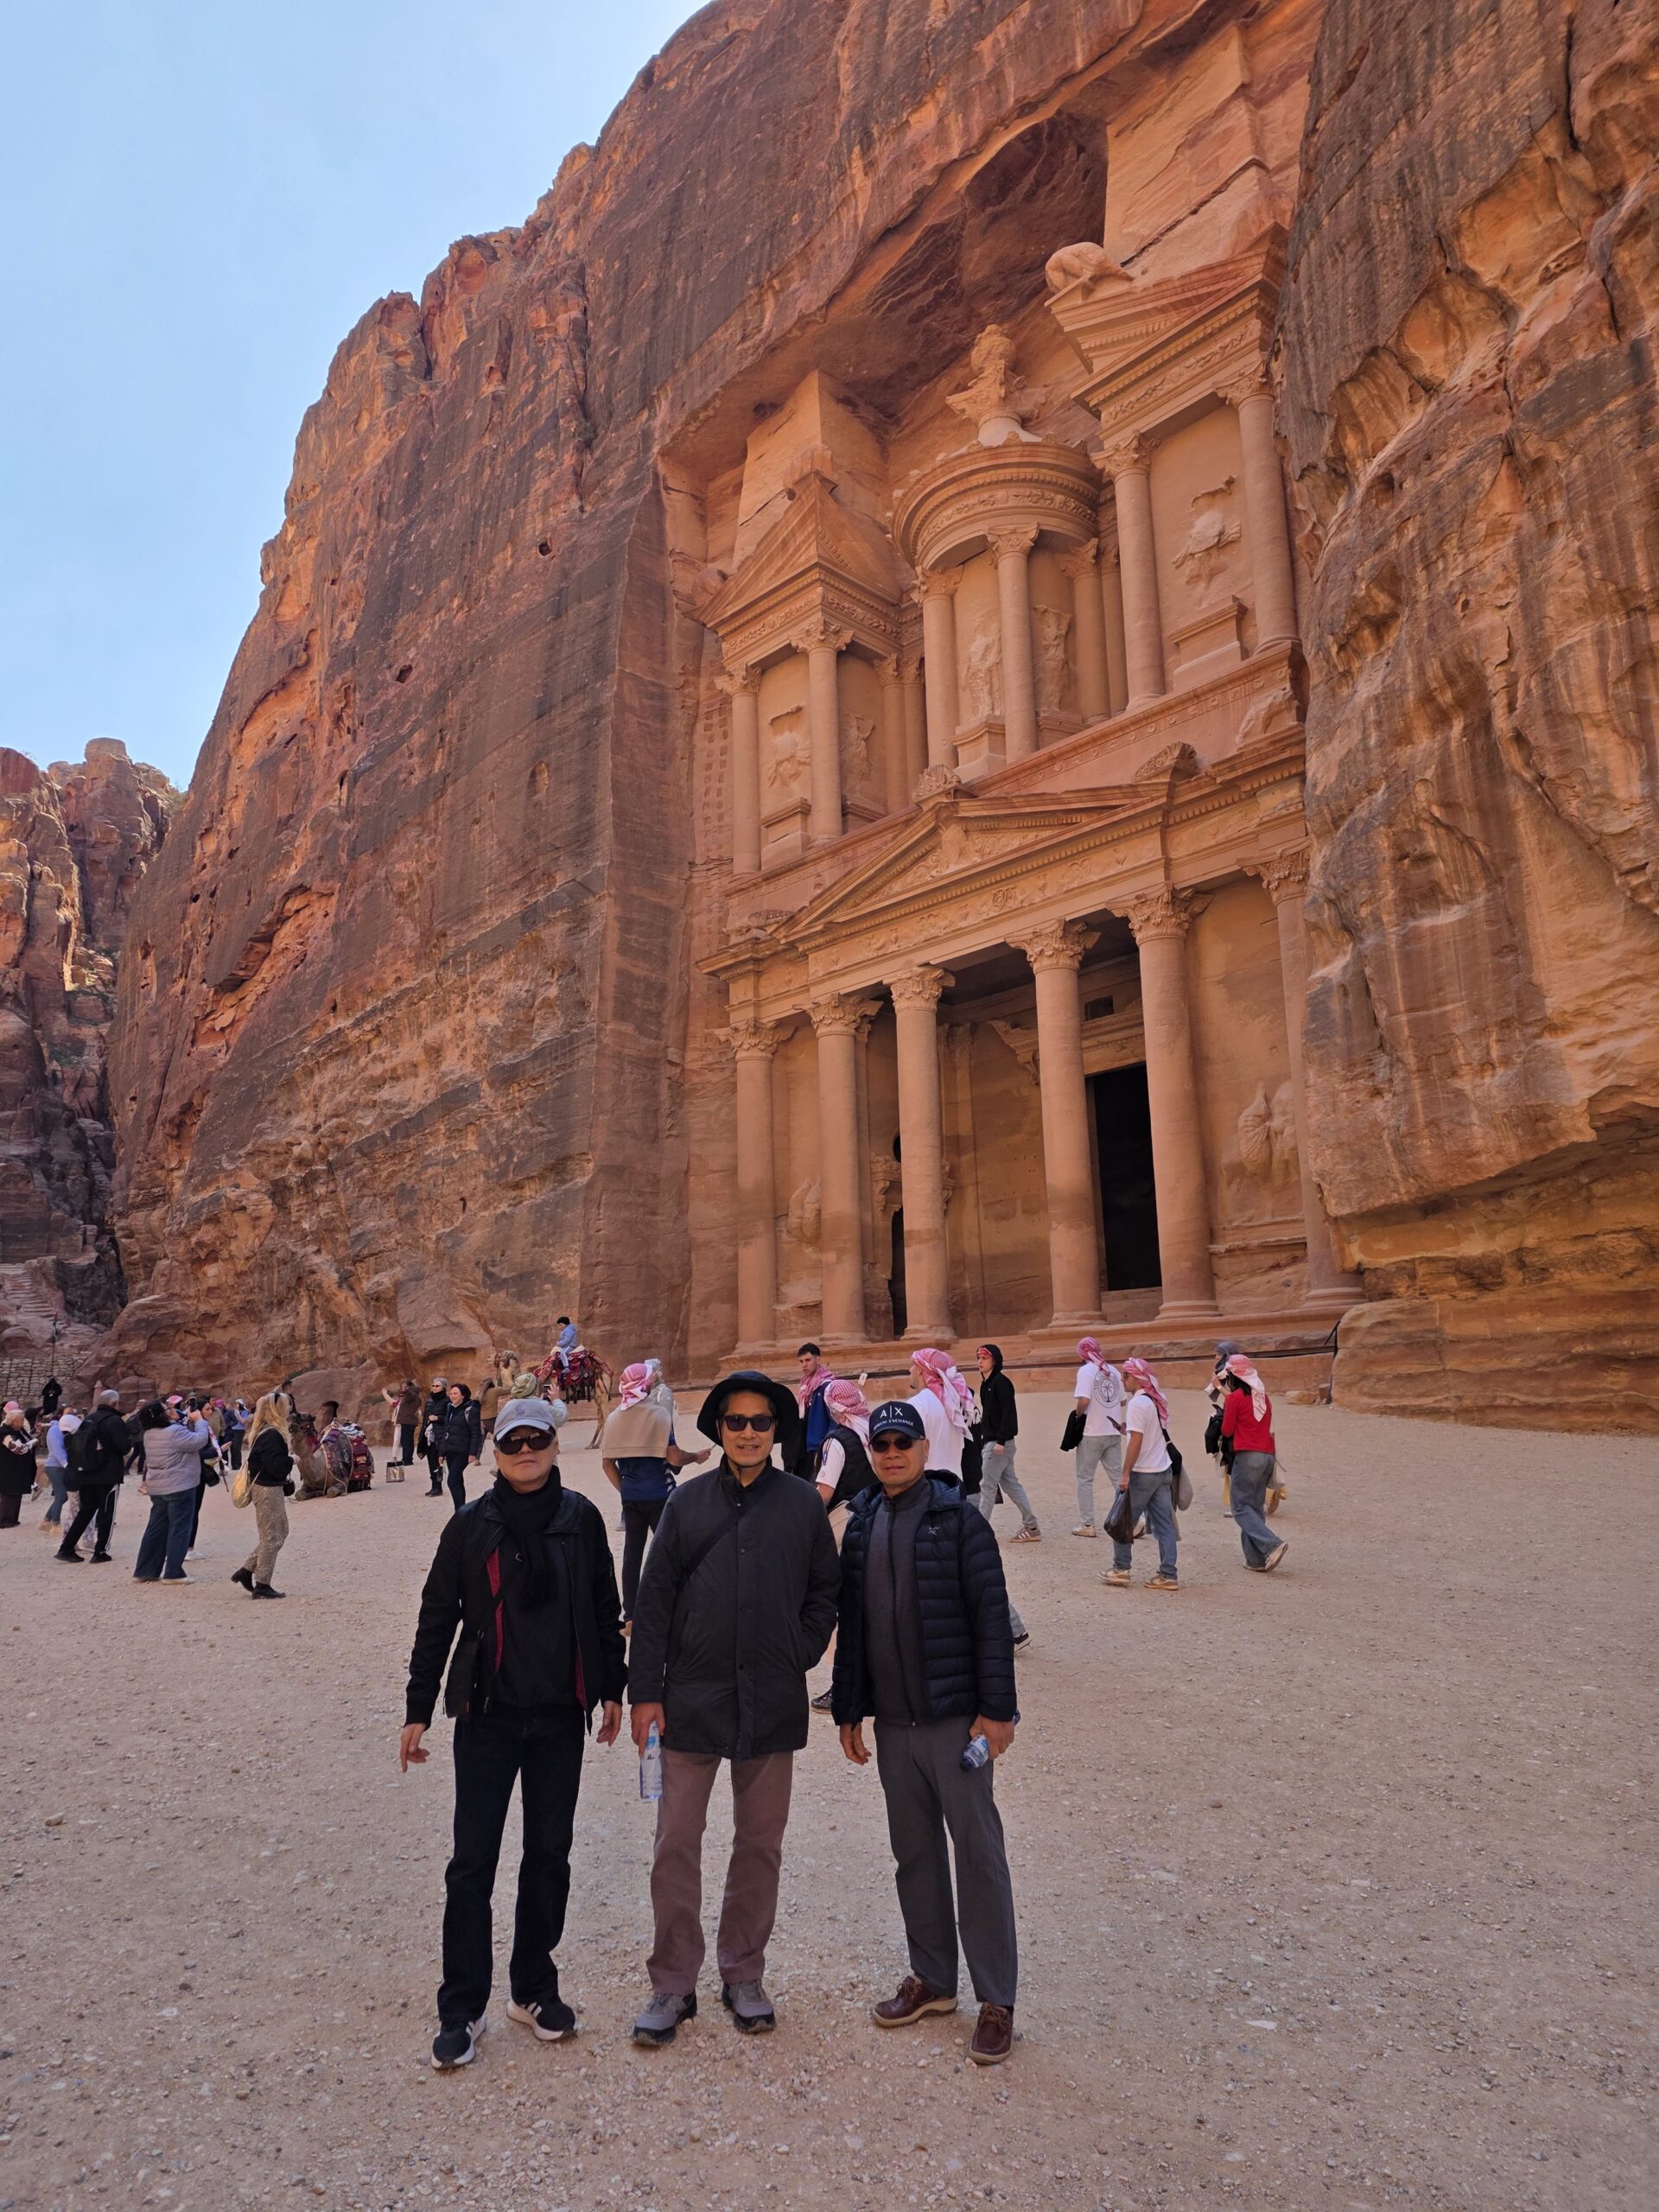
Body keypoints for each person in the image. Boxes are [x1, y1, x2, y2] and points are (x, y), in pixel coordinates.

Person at [402, 1395, 626, 2071]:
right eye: (512, 1442)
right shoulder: (470, 1525)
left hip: (558, 1715)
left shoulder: (581, 1519)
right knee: (473, 1862)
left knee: (549, 1855)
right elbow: (437, 1614)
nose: (526, 1451)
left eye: (536, 1440)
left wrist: (612, 1689)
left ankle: (532, 1988)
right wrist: (418, 1706)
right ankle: (462, 2007)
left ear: (555, 1445)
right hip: (488, 1715)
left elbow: (604, 1606)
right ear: (494, 1452)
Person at [627, 1371, 839, 2045]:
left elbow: (824, 1592)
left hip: (771, 1700)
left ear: (777, 1430)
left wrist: (798, 1651)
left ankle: (743, 1970)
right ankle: (673, 1981)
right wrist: (645, 1692)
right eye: (736, 1422)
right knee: (675, 1842)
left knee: (759, 1844)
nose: (749, 1433)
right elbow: (653, 1601)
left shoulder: (802, 1505)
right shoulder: (686, 1504)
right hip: (691, 1698)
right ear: (719, 1429)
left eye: (761, 1422)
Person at [831, 1399, 1020, 2067]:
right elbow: (852, 1627)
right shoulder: (862, 1523)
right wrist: (848, 1708)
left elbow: (991, 1619)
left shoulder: (960, 1521)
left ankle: (997, 1999)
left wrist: (998, 1712)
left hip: (954, 1722)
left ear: (921, 1448)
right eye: (880, 1444)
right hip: (894, 1724)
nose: (891, 1453)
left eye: (902, 1443)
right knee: (914, 1855)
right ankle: (934, 1979)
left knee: (978, 1857)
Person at [600, 1362, 709, 1630]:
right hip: (660, 1495)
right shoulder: (659, 1415)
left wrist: (625, 1489)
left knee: (632, 1555)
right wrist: (696, 1457)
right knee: (668, 1552)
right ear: (646, 1385)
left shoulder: (614, 1419)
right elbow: (674, 1457)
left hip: (631, 1498)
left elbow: (607, 1464)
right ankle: (670, 1609)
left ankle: (631, 1616)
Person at [1102, 1358, 1179, 1592]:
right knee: (1165, 1525)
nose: (1122, 1379)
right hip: (1162, 1470)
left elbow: (1137, 1440)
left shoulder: (1137, 1404)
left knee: (1123, 1521)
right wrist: (1128, 1429)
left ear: (1137, 1377)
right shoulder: (1156, 1399)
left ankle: (1121, 1569)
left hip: (1142, 1473)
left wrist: (1125, 1474)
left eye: (1125, 1375)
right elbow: (1150, 1431)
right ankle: (1168, 1574)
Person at [1220, 1355, 1287, 1573]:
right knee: (1254, 1508)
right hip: (1267, 1455)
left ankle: (1272, 1544)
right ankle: (1255, 1559)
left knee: (1240, 1507)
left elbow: (1227, 1430)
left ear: (1233, 1377)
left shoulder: (1235, 1398)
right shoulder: (1263, 1397)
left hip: (1248, 1456)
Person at [131, 1401, 210, 1583]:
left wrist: (182, 1419)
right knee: (179, 1528)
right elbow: (199, 1440)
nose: (172, 1410)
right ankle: (174, 1572)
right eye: (168, 1409)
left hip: (158, 1487)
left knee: (156, 1528)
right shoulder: (174, 1432)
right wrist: (199, 1421)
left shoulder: (150, 1433)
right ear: (163, 1415)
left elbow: (177, 1433)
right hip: (180, 1486)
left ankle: (145, 1570)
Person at [233, 1390, 297, 1598]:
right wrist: (292, 1460)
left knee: (280, 1531)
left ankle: (246, 1570)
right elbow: (276, 1467)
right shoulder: (272, 1435)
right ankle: (262, 1584)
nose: (289, 1409)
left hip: (269, 1488)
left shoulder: (268, 1431)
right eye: (287, 1405)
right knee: (272, 1536)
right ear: (277, 1409)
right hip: (267, 1490)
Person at [974, 1346, 1039, 1541]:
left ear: (994, 1360)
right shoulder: (986, 1384)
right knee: (1011, 1485)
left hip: (999, 1445)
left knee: (987, 1487)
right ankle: (1032, 1527)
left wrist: (1001, 1440)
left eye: (984, 1358)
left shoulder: (1001, 1383)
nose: (980, 1361)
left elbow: (1009, 1413)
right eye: (978, 1357)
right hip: (994, 1442)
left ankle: (979, 1533)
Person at [56, 1390, 130, 1561]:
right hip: (108, 1474)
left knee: (86, 1511)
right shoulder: (114, 1421)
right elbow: (124, 1447)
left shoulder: (89, 1419)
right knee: (107, 1513)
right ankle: (100, 1551)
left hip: (86, 1472)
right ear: (114, 1404)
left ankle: (66, 1547)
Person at [1071, 1336, 1125, 1539]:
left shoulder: (1085, 1371)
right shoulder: (1114, 1371)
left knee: (1085, 1478)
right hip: (1112, 1431)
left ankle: (1088, 1524)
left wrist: (1077, 1415)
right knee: (1119, 1478)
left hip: (1092, 1431)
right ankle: (1134, 1519)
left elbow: (1084, 1400)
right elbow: (1122, 1401)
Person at [906, 1348, 973, 1483]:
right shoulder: (954, 1403)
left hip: (928, 1485)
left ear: (921, 1369)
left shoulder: (917, 1404)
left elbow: (909, 1449)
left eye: (913, 1365)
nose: (910, 1370)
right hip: (954, 1484)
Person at [792, 1343, 837, 1480]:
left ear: (817, 1360)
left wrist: (827, 1445)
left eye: (808, 1360)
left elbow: (834, 1419)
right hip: (807, 1448)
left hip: (821, 1447)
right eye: (801, 1361)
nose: (804, 1365)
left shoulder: (827, 1385)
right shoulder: (806, 1386)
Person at [438, 1383, 484, 1512]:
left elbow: (476, 1433)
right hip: (450, 1450)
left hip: (463, 1451)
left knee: (452, 1480)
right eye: (451, 1394)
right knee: (457, 1480)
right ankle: (462, 1511)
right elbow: (446, 1431)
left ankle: (459, 1511)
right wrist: (442, 1452)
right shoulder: (450, 1408)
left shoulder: (471, 1410)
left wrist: (473, 1453)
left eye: (455, 1393)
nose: (452, 1396)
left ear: (463, 1395)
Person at [1, 1402, 38, 1529]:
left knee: (17, 1493)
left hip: (18, 1468)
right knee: (9, 1494)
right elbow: (18, 1449)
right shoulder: (5, 1433)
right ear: (14, 1421)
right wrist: (32, 1443)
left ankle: (13, 1519)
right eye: (21, 1420)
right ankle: (5, 1520)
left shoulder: (18, 1431)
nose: (23, 1422)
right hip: (9, 1469)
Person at [41, 1406, 78, 1535]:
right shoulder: (55, 1429)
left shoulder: (65, 1429)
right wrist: (66, 1464)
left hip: (60, 1466)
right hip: (55, 1466)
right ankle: (55, 1524)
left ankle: (46, 1520)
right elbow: (57, 1450)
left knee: (63, 1496)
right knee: (61, 1495)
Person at [385, 1380, 422, 1473]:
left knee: (405, 1441)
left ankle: (406, 1459)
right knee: (409, 1441)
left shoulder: (412, 1395)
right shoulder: (416, 1397)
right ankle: (409, 1459)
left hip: (406, 1422)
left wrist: (405, 1389)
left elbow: (409, 1394)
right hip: (411, 1422)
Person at [423, 1378, 450, 1496]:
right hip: (429, 1436)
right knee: (431, 1462)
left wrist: (438, 1418)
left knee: (438, 1462)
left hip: (440, 1435)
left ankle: (438, 1487)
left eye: (437, 1386)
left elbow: (450, 1419)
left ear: (443, 1388)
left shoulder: (447, 1401)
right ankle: (434, 1486)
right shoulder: (429, 1400)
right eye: (433, 1385)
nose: (434, 1388)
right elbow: (425, 1418)